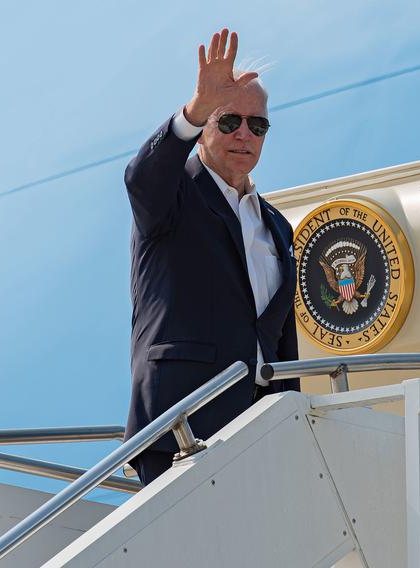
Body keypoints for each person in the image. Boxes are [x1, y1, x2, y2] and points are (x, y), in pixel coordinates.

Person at [123, 28, 299, 486]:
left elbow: (278, 342)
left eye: (256, 125)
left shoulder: (278, 228)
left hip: (262, 429)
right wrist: (195, 109)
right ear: (203, 130)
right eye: (228, 121)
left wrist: (291, 417)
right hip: (181, 428)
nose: (244, 133)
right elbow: (141, 177)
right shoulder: (173, 196)